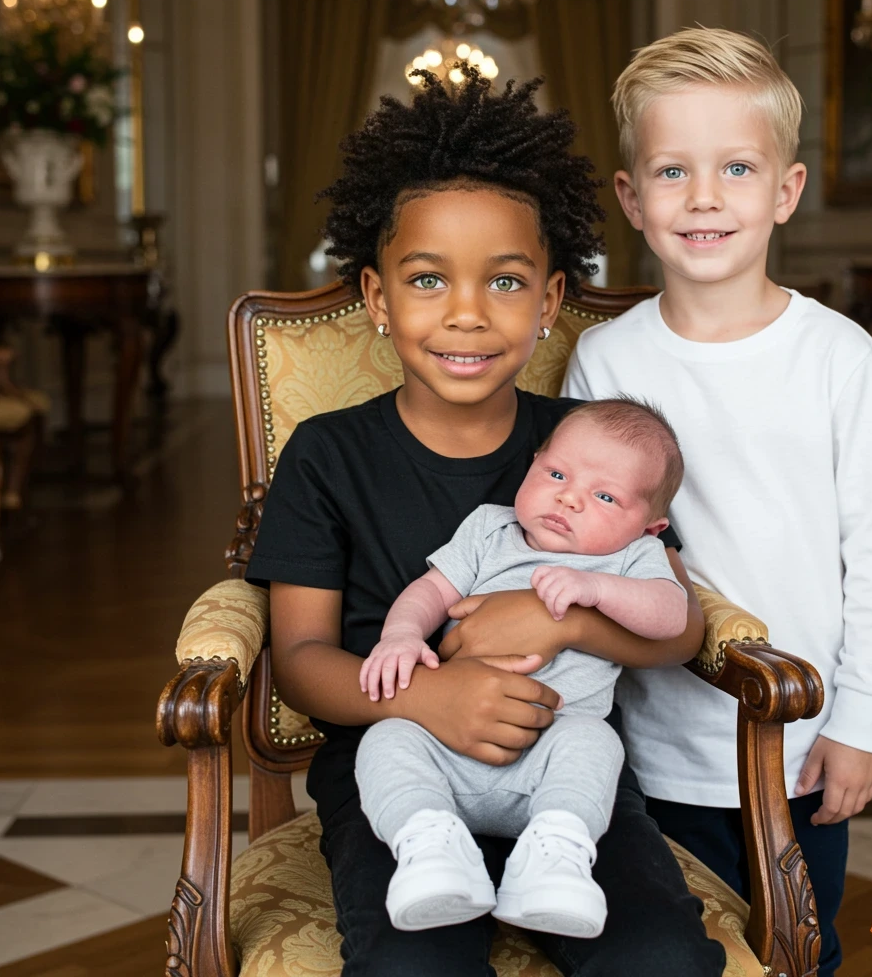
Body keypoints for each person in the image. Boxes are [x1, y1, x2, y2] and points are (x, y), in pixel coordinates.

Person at [245, 66, 726, 977]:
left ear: (549, 301)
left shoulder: (588, 449)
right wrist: (426, 696)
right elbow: (302, 660)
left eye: (505, 281)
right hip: (397, 765)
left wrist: (562, 621)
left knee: (660, 960)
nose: (465, 314)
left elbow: (680, 628)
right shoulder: (327, 453)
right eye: (428, 279)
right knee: (413, 968)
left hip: (567, 768)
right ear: (377, 297)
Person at [556, 27, 872, 977]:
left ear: (785, 191)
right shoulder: (607, 359)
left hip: (804, 740)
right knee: (676, 952)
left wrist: (862, 721)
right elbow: (586, 536)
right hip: (649, 745)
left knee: (801, 949)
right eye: (672, 171)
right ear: (631, 198)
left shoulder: (839, 357)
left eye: (737, 168)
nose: (704, 197)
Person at [356, 398, 687, 937]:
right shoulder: (490, 529)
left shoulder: (632, 558)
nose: (569, 498)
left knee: (596, 742)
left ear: (650, 527)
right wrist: (401, 635)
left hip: (551, 759)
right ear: (533, 464)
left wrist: (596, 589)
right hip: (447, 744)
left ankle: (555, 858)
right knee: (387, 739)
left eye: (605, 496)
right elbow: (431, 591)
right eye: (556, 474)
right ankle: (430, 848)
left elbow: (672, 616)